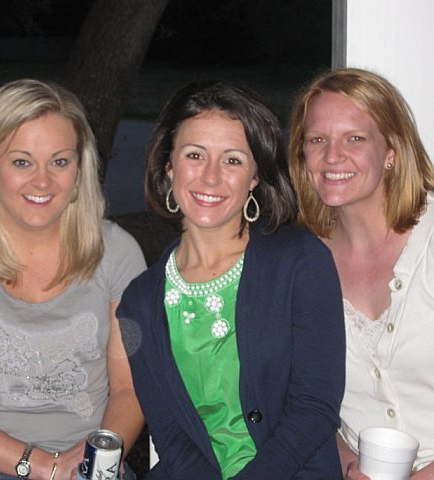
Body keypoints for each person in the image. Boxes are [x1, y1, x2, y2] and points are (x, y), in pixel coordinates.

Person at [0, 79, 146, 480]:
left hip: (87, 464)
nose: (42, 181)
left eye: (59, 162)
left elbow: (130, 389)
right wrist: (45, 466)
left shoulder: (118, 253)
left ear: (80, 167)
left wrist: (95, 461)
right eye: (22, 162)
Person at [116, 79, 346, 479]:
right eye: (194, 155)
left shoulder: (301, 262)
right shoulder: (139, 302)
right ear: (169, 166)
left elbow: (314, 408)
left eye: (233, 160)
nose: (210, 177)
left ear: (255, 176)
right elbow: (170, 435)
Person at [289, 67, 434, 479]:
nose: (332, 156)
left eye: (354, 138)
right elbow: (309, 406)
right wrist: (348, 465)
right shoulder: (299, 265)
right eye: (317, 140)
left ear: (392, 151)